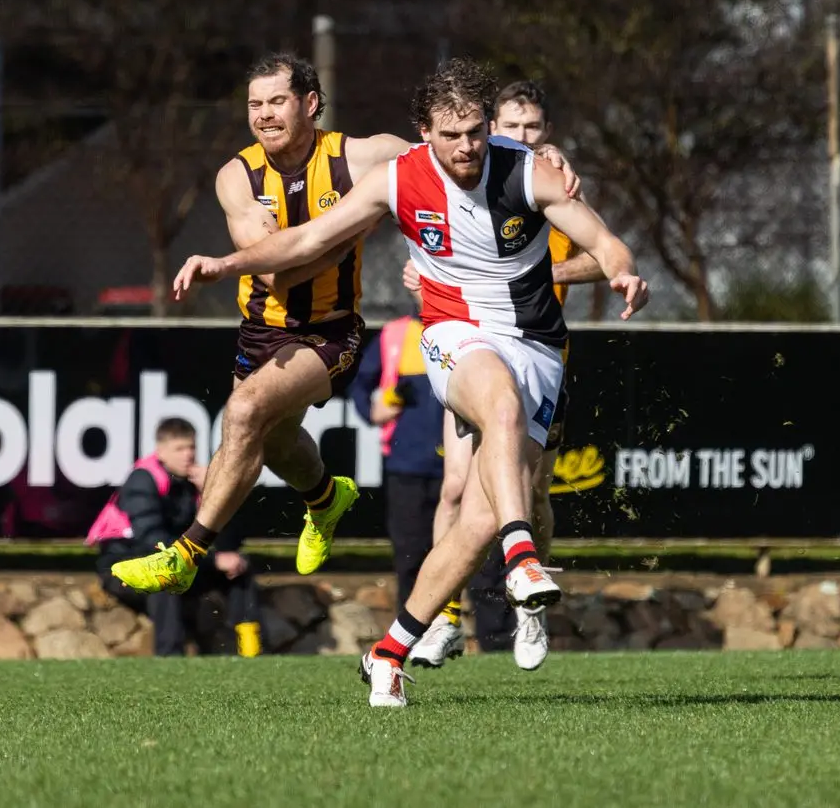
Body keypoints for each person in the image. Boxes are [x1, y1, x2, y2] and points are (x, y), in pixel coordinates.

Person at [170, 57, 649, 707]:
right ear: (424, 131)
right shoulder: (396, 180)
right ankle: (523, 557)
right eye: (450, 135)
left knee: (476, 516)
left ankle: (389, 650)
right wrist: (225, 263)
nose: (466, 147)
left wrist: (622, 272)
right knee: (496, 410)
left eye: (476, 131)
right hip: (456, 335)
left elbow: (606, 242)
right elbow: (304, 240)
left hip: (537, 344)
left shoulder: (529, 170)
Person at [109, 54, 583, 599]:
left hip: (331, 332)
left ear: (310, 103)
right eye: (254, 104)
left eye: (276, 101)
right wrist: (348, 231)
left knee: (242, 414)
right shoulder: (236, 177)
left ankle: (187, 553)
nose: (263, 114)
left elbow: (461, 156)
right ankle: (324, 497)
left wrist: (540, 157)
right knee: (275, 437)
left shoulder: (364, 157)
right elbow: (274, 266)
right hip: (261, 328)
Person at [408, 80, 607, 672]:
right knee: (454, 489)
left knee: (532, 492)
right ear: (488, 125)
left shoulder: (549, 181)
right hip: (472, 349)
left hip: (539, 356)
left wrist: (544, 275)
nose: (522, 137)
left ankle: (530, 607)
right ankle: (443, 621)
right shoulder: (454, 176)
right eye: (512, 126)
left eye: (533, 127)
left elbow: (604, 254)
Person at [89, 418, 262, 657]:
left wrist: (212, 494)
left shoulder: (192, 483)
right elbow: (154, 544)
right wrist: (213, 561)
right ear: (160, 452)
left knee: (240, 567)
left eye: (192, 447)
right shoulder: (142, 480)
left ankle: (251, 650)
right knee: (163, 578)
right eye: (179, 449)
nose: (188, 455)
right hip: (123, 568)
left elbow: (227, 546)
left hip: (177, 559)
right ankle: (170, 658)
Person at [346, 300, 447, 620]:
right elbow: (358, 381)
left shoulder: (466, 325)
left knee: (473, 557)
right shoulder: (396, 335)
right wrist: (372, 410)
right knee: (410, 555)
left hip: (462, 467)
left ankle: (493, 642)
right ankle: (410, 633)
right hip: (407, 466)